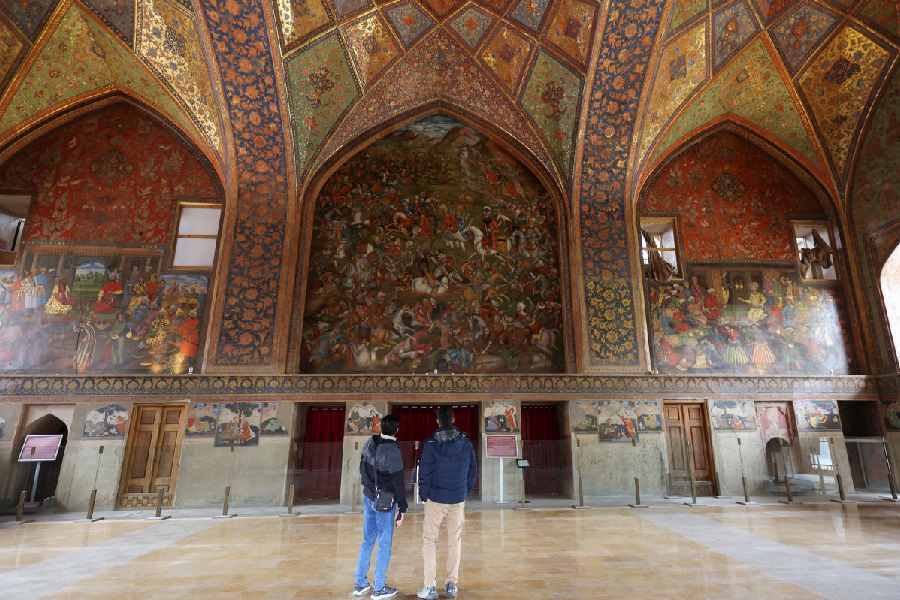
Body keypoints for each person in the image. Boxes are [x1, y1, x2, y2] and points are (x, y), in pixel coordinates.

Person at [417, 406, 478, 600]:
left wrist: (424, 494)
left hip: (436, 497)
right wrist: (464, 490)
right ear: (453, 419)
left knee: (429, 540)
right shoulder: (466, 443)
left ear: (437, 421)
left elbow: (424, 471)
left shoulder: (431, 443)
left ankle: (430, 586)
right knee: (455, 540)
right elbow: (472, 470)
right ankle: (452, 583)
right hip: (457, 498)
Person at [354, 414, 407, 600]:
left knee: (367, 540)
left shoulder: (370, 443)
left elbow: (362, 468)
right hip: (385, 501)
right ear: (396, 430)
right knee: (385, 543)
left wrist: (369, 489)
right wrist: (403, 507)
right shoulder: (392, 450)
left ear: (381, 428)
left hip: (369, 497)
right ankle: (379, 588)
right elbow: (398, 482)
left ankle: (360, 583)